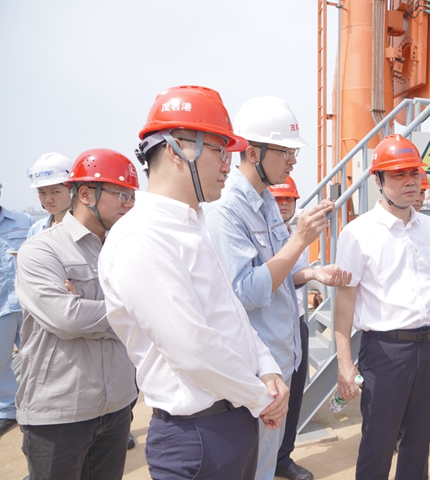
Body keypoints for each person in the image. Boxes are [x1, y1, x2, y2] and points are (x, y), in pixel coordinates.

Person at [99, 85, 289, 480]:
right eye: (220, 150)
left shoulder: (192, 223)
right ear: (176, 149)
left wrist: (267, 367)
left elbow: (232, 314)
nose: (228, 165)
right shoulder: (142, 237)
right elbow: (192, 349)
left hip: (234, 417)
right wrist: (261, 397)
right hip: (197, 435)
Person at [205, 96, 350, 480]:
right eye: (285, 151)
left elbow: (282, 269)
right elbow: (244, 292)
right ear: (253, 152)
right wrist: (299, 239)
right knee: (252, 466)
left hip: (282, 354)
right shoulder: (226, 210)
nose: (292, 161)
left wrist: (313, 271)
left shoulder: (266, 200)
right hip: (257, 367)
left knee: (266, 461)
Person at [333, 134, 430, 479]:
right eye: (398, 174)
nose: (409, 181)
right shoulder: (358, 233)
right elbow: (345, 301)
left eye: (414, 172)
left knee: (419, 441)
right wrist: (344, 362)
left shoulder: (428, 227)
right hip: (385, 352)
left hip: (427, 347)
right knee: (379, 443)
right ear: (379, 180)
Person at [14, 148, 139, 479]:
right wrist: (130, 310)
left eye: (132, 195)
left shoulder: (126, 250)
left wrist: (90, 308)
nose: (129, 203)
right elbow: (67, 318)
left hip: (118, 405)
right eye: (121, 194)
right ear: (85, 194)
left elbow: (153, 310)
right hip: (60, 412)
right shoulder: (40, 250)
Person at [267, 176, 311, 478]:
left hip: (297, 323)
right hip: (268, 328)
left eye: (288, 200)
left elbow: (297, 274)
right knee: (268, 396)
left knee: (294, 394)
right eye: (277, 200)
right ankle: (260, 462)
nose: (283, 205)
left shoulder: (297, 235)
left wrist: (314, 273)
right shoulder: (256, 234)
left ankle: (283, 458)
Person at [0, 183, 34, 438]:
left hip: (27, 305)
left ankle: (36, 407)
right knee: (1, 363)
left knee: (39, 358)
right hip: (1, 308)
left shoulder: (24, 221)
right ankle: (8, 411)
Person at [26, 152, 74, 238]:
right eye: (42, 192)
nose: (48, 199)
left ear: (73, 190)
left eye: (55, 192)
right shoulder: (36, 229)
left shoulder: (88, 226)